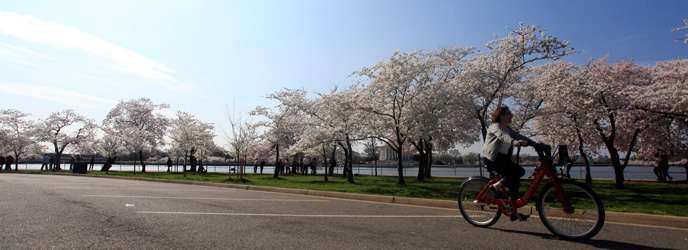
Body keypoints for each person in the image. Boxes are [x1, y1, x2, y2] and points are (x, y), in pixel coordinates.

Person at [481, 105, 537, 221]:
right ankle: (495, 186)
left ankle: (512, 210)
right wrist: (515, 143)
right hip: (493, 158)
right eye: (509, 113)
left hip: (503, 159)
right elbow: (502, 136)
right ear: (501, 116)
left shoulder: (507, 128)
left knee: (515, 179)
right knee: (519, 171)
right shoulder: (495, 126)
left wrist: (535, 144)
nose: (511, 115)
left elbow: (518, 135)